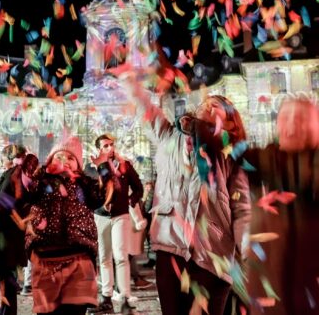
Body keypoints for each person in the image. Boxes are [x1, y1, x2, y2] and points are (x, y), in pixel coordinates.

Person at [125, 76, 251, 315]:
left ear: (231, 123)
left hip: (213, 255)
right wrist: (130, 80)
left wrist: (247, 247)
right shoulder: (169, 137)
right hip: (171, 246)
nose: (210, 107)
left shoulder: (232, 156)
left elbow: (243, 208)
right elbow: (146, 110)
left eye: (219, 107)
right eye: (207, 105)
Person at [243, 97, 319, 315]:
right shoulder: (264, 161)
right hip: (271, 295)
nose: (292, 124)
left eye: (301, 118)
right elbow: (222, 151)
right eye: (286, 117)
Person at [25, 135, 107, 315]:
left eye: (71, 158)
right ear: (49, 162)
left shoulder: (85, 185)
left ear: (78, 164)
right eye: (59, 157)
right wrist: (31, 165)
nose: (65, 161)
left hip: (78, 256)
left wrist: (103, 167)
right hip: (45, 257)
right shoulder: (40, 183)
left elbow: (103, 195)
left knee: (75, 309)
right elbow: (24, 192)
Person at [0, 145, 38, 315]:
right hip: (14, 241)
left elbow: (1, 202)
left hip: (1, 240)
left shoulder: (12, 174)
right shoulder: (27, 177)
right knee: (8, 285)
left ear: (8, 159)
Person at [85, 134, 144, 315]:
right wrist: (100, 165)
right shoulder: (92, 168)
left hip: (120, 216)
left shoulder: (124, 165)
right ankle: (106, 297)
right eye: (105, 146)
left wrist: (130, 200)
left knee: (120, 256)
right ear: (99, 149)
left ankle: (125, 298)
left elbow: (139, 188)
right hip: (101, 216)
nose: (110, 148)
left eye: (111, 145)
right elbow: (94, 190)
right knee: (104, 257)